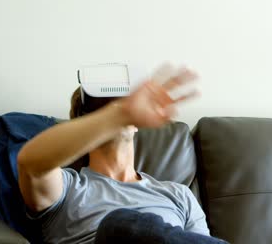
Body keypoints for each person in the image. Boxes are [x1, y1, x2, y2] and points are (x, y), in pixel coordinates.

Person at [17, 65, 226, 243]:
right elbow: (30, 164)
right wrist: (120, 114)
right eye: (104, 108)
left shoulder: (179, 195)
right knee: (119, 224)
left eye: (122, 103)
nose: (116, 107)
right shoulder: (68, 188)